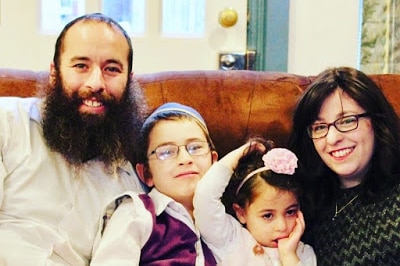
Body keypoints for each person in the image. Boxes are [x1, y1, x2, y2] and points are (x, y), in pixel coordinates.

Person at [0, 13, 147, 265]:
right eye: (81, 66)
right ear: (54, 73)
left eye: (112, 69)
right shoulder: (8, 122)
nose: (96, 83)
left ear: (129, 81)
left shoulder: (132, 185)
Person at [288, 66, 400, 265]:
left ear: (377, 121)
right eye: (320, 127)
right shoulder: (297, 203)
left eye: (347, 121)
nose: (332, 138)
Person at [90, 102, 219, 265]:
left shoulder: (229, 222)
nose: (185, 159)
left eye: (195, 147)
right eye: (166, 152)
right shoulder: (136, 213)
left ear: (214, 162)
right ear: (146, 173)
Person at [194, 138, 317, 266]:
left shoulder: (304, 253)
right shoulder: (231, 238)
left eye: (290, 212)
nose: (282, 227)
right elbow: (205, 196)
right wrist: (237, 157)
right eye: (268, 215)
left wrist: (289, 256)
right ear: (241, 213)